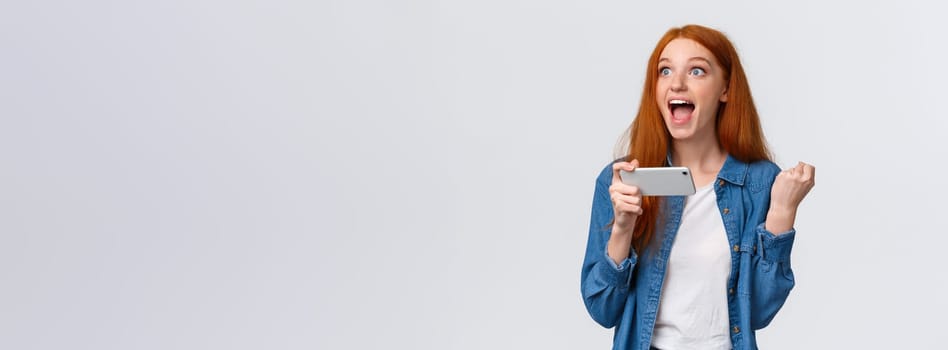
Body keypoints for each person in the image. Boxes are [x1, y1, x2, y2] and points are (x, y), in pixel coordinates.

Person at [580, 24, 815, 350]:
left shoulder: (759, 182)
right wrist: (622, 227)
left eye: (696, 71)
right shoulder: (620, 180)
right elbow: (602, 310)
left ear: (726, 90)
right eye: (665, 71)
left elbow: (759, 313)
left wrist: (782, 212)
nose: (676, 83)